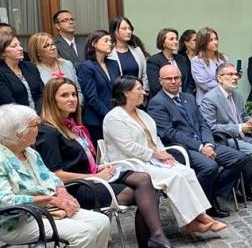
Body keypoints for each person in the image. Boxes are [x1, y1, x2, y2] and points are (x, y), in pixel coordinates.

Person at [35, 78, 174, 248]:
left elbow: (81, 161)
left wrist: (100, 167)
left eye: (74, 94)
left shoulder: (72, 125)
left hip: (93, 178)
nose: (72, 99)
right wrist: (94, 175)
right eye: (64, 95)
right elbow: (56, 175)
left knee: (144, 180)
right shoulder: (48, 132)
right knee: (145, 191)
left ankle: (156, 239)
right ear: (52, 99)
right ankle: (156, 240)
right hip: (76, 188)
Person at [103, 76, 226, 234]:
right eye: (139, 89)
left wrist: (165, 154)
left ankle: (199, 217)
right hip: (130, 164)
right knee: (174, 177)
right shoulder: (114, 118)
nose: (144, 92)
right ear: (126, 93)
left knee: (186, 172)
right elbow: (128, 147)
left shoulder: (142, 114)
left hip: (151, 160)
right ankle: (194, 221)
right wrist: (156, 154)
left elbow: (156, 139)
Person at [0, 104, 110, 248]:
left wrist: (62, 192)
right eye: (35, 125)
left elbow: (51, 177)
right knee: (84, 233)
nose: (38, 129)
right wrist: (51, 199)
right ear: (19, 134)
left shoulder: (28, 151)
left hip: (48, 211)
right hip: (18, 221)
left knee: (102, 222)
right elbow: (5, 201)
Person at [149, 65, 247, 217]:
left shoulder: (188, 97)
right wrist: (200, 147)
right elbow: (169, 133)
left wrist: (208, 143)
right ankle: (202, 207)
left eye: (177, 78)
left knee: (238, 158)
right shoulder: (157, 103)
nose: (174, 81)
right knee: (210, 167)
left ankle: (215, 195)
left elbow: (203, 123)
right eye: (169, 79)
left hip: (204, 143)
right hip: (182, 148)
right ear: (160, 81)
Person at [200, 63, 252, 202]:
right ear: (219, 78)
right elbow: (210, 127)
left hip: (245, 136)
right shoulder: (210, 98)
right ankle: (246, 185)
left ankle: (239, 178)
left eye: (236, 74)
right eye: (230, 74)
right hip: (225, 139)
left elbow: (243, 116)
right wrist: (238, 128)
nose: (235, 77)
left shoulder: (237, 95)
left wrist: (251, 122)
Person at [77, 30, 121, 144]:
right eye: (106, 41)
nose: (110, 44)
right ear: (94, 44)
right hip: (96, 120)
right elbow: (91, 98)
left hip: (116, 116)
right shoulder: (86, 67)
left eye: (110, 41)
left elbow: (119, 89)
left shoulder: (113, 64)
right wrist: (109, 115)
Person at [0, 33, 44, 112]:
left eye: (20, 45)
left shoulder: (30, 66)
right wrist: (30, 118)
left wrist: (38, 113)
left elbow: (43, 93)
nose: (20, 48)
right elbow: (6, 101)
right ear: (2, 52)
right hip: (13, 118)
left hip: (40, 114)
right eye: (14, 46)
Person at [28, 32, 82, 102]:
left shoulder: (67, 64)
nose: (53, 48)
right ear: (37, 52)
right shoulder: (34, 70)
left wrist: (79, 107)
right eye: (46, 46)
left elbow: (78, 90)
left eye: (52, 44)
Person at [147, 28, 195, 98]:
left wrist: (185, 96)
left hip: (184, 99)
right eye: (171, 39)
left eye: (176, 39)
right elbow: (155, 86)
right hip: (164, 100)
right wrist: (172, 97)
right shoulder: (154, 60)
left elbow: (190, 81)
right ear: (163, 42)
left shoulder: (182, 59)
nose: (175, 42)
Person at [108, 16, 150, 96]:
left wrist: (144, 91)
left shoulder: (137, 50)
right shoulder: (109, 53)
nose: (128, 31)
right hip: (119, 97)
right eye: (124, 29)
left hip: (139, 95)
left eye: (129, 28)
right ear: (115, 32)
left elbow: (145, 74)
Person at [191, 27, 228, 104]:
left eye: (216, 39)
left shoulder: (224, 58)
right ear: (203, 42)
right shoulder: (197, 61)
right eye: (211, 40)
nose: (215, 42)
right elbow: (205, 84)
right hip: (207, 102)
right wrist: (226, 85)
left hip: (225, 101)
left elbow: (229, 76)